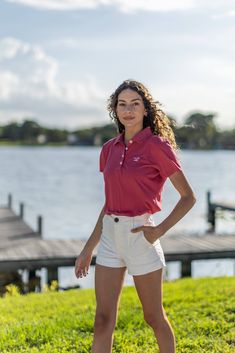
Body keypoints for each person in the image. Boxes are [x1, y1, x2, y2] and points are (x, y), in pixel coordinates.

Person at [75, 79, 196, 353]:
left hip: (141, 235)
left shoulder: (157, 146)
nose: (128, 110)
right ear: (115, 110)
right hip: (109, 238)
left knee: (153, 316)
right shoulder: (108, 149)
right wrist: (88, 247)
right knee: (103, 318)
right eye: (122, 104)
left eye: (135, 104)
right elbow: (109, 204)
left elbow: (188, 197)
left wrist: (158, 230)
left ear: (145, 110)